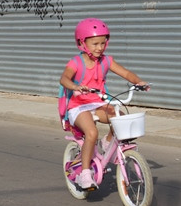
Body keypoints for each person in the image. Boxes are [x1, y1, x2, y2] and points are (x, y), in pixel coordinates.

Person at [59, 18, 148, 191]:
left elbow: (126, 73)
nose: (99, 47)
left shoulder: (106, 61)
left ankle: (108, 142)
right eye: (95, 44)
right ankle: (85, 173)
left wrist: (139, 82)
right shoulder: (76, 62)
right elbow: (64, 79)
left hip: (98, 103)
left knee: (121, 118)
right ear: (82, 43)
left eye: (103, 43)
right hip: (78, 106)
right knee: (91, 132)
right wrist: (76, 86)